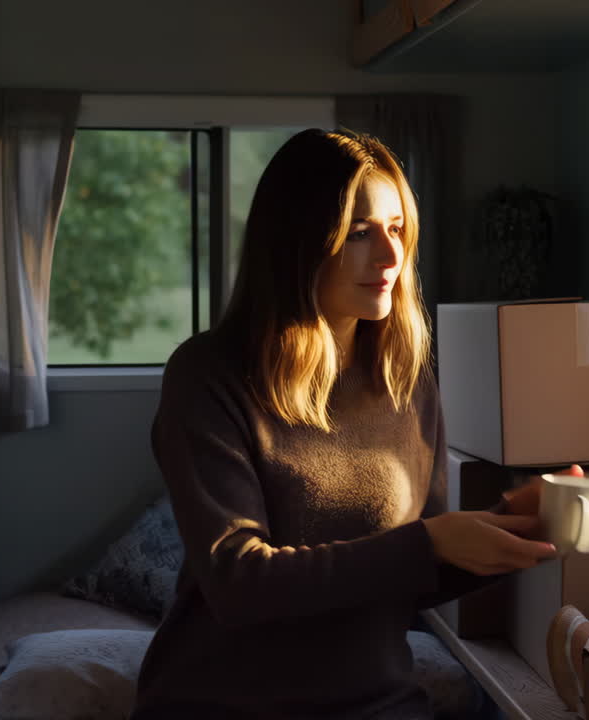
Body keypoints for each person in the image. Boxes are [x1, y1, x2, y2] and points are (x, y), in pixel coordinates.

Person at [130, 129, 557, 720]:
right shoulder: (208, 375)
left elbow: (413, 573)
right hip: (225, 706)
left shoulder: (406, 381)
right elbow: (238, 584)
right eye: (359, 233)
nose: (389, 257)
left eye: (397, 229)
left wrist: (516, 522)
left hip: (375, 704)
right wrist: (432, 541)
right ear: (297, 243)